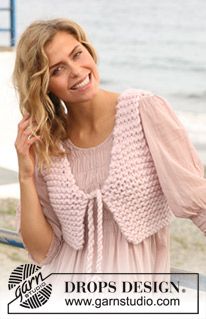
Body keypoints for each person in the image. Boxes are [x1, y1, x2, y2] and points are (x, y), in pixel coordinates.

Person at [14, 18, 206, 280]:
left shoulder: (144, 111)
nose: (77, 71)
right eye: (57, 69)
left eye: (77, 54)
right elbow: (42, 251)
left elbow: (197, 203)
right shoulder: (49, 143)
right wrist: (25, 175)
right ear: (44, 84)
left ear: (88, 50)